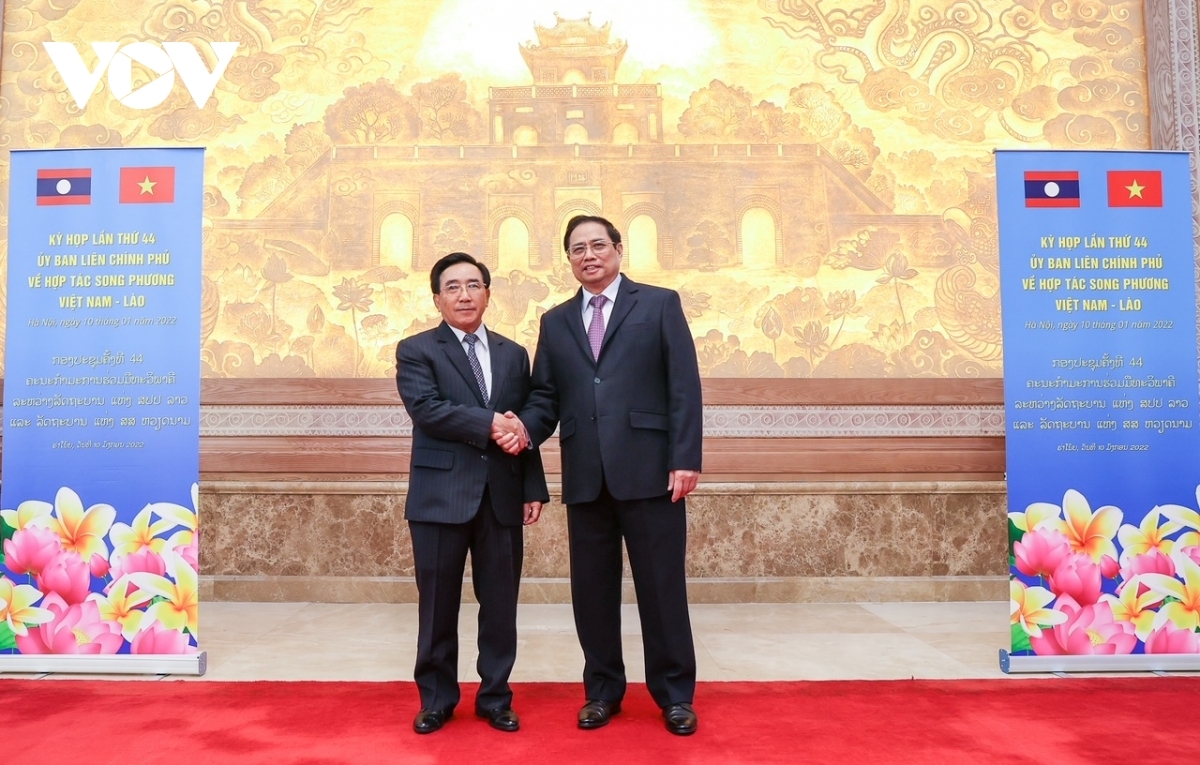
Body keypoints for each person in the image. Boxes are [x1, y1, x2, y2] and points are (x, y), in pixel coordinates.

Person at [512, 214, 703, 735]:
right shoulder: (555, 321)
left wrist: (685, 458)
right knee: (591, 591)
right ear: (568, 259)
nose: (588, 255)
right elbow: (546, 397)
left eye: (598, 245)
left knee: (662, 588)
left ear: (619, 250)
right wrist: (521, 430)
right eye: (577, 249)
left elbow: (683, 386)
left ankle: (675, 696)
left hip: (652, 472)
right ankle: (602, 691)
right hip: (586, 476)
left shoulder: (659, 304)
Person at [395, 252, 548, 735]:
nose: (464, 294)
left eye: (474, 285)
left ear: (488, 293)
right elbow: (427, 409)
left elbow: (523, 425)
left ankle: (496, 698)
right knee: (437, 604)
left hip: (502, 495)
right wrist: (491, 423)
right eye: (453, 286)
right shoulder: (417, 349)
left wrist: (532, 485)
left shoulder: (512, 353)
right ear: (437, 297)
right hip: (440, 495)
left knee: (500, 605)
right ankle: (437, 699)